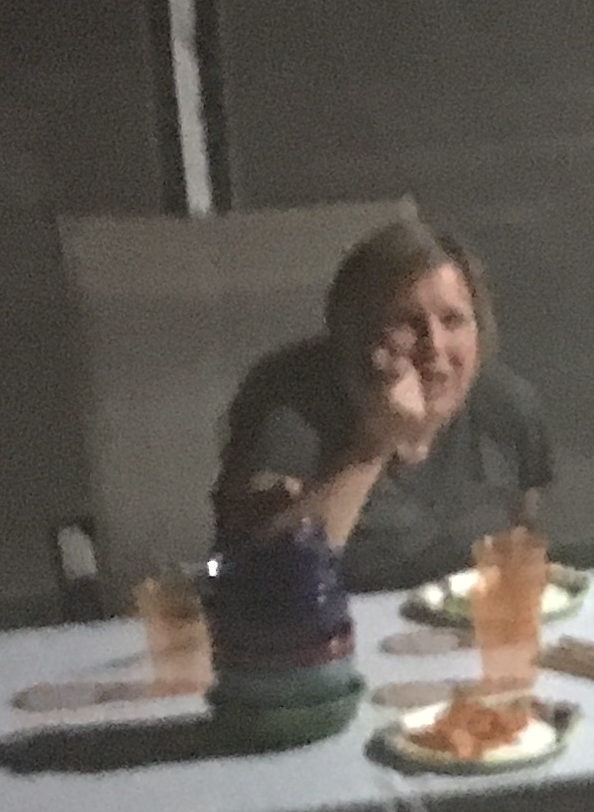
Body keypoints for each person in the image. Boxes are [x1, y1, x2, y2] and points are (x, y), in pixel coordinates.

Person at [215, 218, 554, 591]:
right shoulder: (287, 403)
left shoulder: (506, 406)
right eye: (407, 321)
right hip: (326, 622)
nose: (434, 345)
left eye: (453, 320)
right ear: (358, 332)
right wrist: (376, 443)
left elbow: (523, 547)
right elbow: (272, 581)